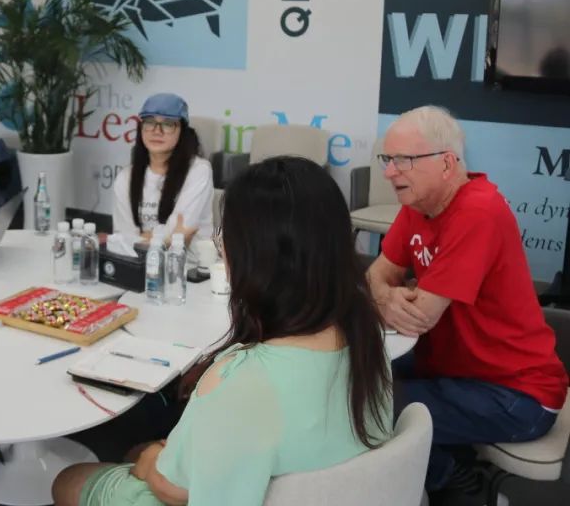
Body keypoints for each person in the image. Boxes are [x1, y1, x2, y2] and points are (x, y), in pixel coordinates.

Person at [55, 156, 392, 506]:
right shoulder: (367, 340)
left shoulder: (239, 381)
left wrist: (152, 459)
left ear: (251, 255)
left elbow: (174, 489)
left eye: (224, 237)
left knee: (70, 479)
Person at [367, 105, 567, 505]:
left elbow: (420, 316)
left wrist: (388, 295)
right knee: (355, 372)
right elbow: (375, 276)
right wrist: (387, 295)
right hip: (456, 365)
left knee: (369, 406)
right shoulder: (420, 204)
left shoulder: (478, 211)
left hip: (517, 394)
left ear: (446, 163)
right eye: (388, 159)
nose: (389, 172)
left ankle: (455, 480)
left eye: (403, 160)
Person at [112, 93, 214, 247]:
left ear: (182, 131)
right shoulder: (125, 177)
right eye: (149, 122)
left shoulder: (199, 171)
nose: (157, 131)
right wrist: (163, 237)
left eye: (168, 124)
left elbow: (180, 233)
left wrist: (144, 237)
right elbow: (123, 237)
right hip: (138, 259)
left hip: (189, 260)